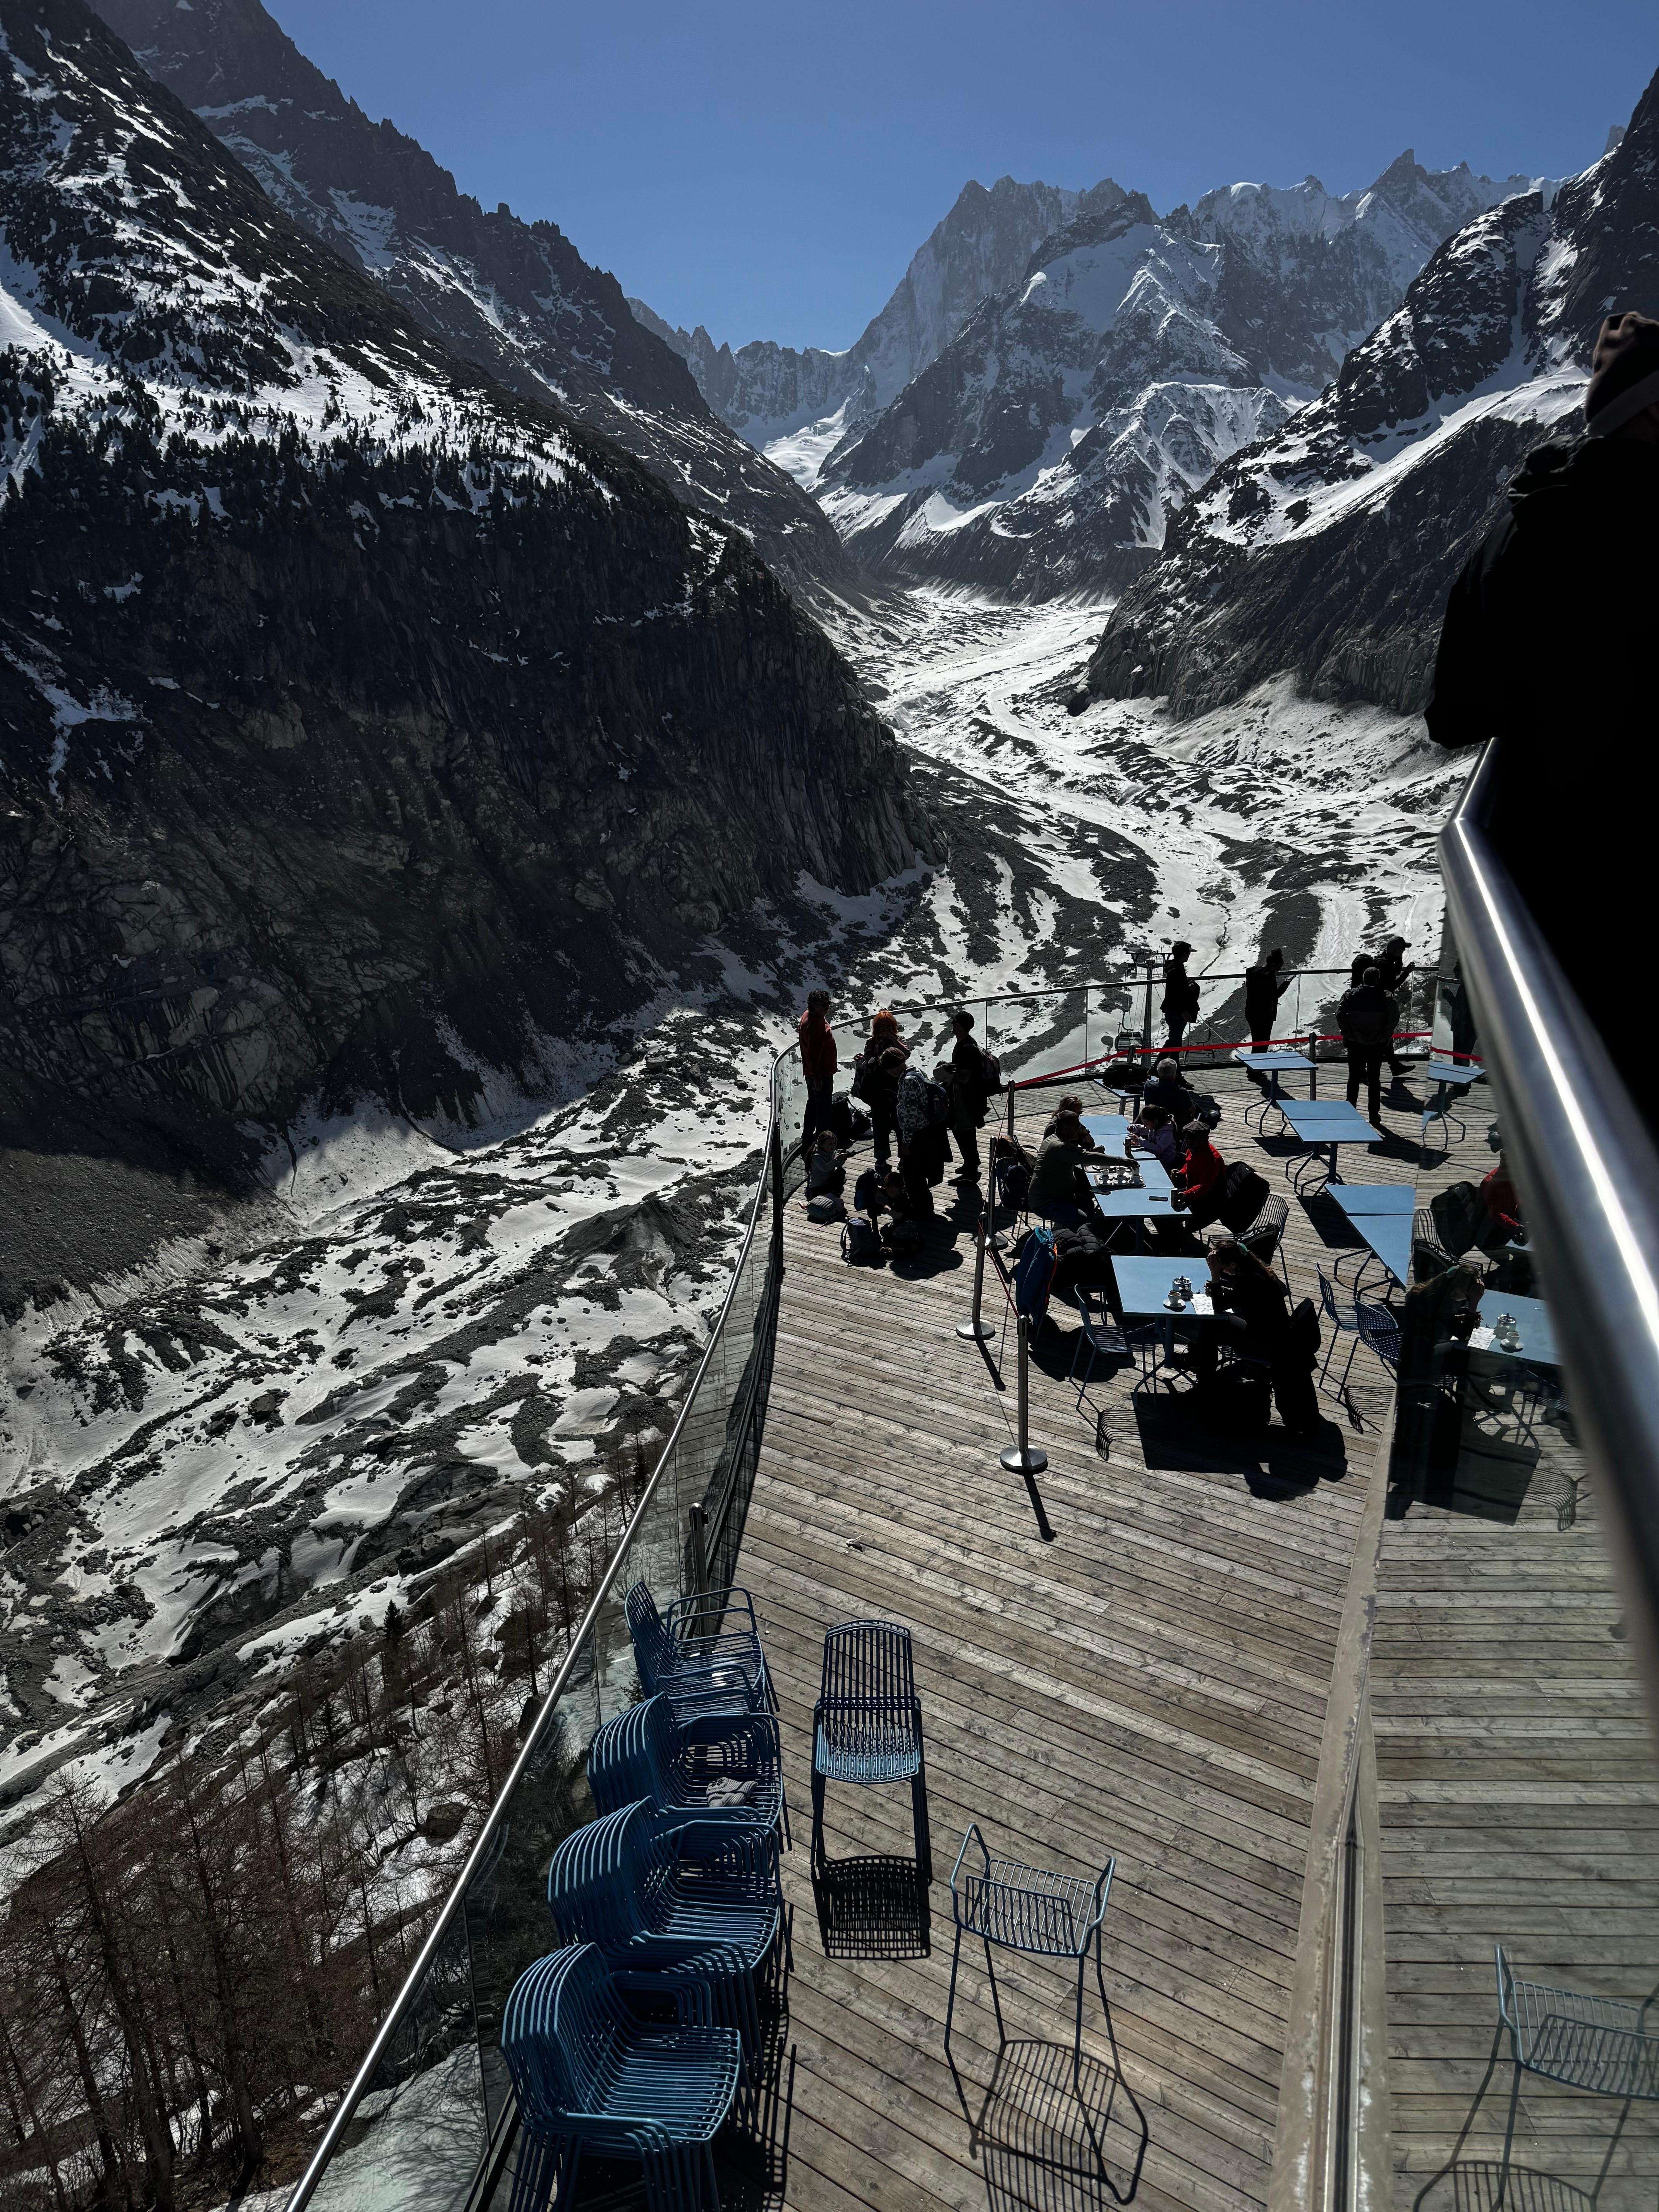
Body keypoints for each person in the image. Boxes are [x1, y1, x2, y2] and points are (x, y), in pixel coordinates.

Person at [1425, 310, 1659, 1070]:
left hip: (1538, 887)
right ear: (1649, 411)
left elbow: (1452, 714)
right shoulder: (1641, 525)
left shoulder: (1516, 523)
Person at [1205, 1234, 1321, 1432]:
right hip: (1278, 1334)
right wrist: (1222, 1288)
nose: (1222, 1272)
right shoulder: (1259, 1271)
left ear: (1232, 1265)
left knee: (1211, 1329)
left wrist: (1215, 1278)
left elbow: (1219, 1306)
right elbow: (1244, 1297)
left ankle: (1204, 1377)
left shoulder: (1248, 1281)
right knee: (1221, 1325)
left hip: (1265, 1341)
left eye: (1222, 1268)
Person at [1337, 966, 1399, 1127]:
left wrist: (1349, 1034)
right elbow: (1394, 1019)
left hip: (1355, 1043)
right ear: (1378, 980)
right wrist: (1384, 1037)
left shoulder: (1351, 994)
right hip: (1378, 1044)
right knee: (1374, 1079)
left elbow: (1340, 1015)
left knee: (1354, 1078)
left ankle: (1351, 1111)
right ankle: (1374, 1115)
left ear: (1363, 979)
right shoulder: (1387, 997)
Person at [945, 1008, 995, 1186]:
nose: (952, 1026)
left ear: (960, 1026)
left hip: (964, 1101)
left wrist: (947, 1076)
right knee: (966, 1133)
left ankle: (971, 1173)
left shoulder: (966, 1049)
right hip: (968, 1099)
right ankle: (970, 1165)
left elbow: (966, 1076)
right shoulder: (968, 1044)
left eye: (954, 1023)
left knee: (964, 1133)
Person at [894, 1052, 945, 1214]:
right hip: (926, 1130)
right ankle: (925, 1207)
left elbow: (911, 1114)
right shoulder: (916, 1072)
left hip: (916, 1134)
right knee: (919, 1172)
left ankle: (921, 1210)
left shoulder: (908, 1081)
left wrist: (906, 1142)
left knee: (912, 1175)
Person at [854, 1009, 906, 1166]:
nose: (886, 1030)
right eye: (883, 1026)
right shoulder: (871, 1042)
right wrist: (884, 1061)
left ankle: (904, 1157)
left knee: (900, 1124)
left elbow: (906, 1054)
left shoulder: (899, 1040)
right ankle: (881, 1158)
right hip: (878, 1091)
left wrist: (893, 1039)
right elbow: (866, 1063)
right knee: (880, 1125)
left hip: (897, 1089)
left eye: (889, 1026)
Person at [1029, 1110, 1094, 1228]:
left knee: (1088, 1204)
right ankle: (1064, 1235)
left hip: (1061, 1195)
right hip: (1046, 1202)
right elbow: (1087, 1157)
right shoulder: (1059, 1146)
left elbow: (1088, 1148)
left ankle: (1084, 1233)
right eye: (1078, 1126)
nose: (1080, 1129)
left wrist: (1085, 1133)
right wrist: (1119, 1161)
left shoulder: (1063, 1139)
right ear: (1066, 1128)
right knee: (1081, 1218)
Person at [798, 988, 836, 1156]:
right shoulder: (816, 1025)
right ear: (813, 1005)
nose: (827, 1007)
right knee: (824, 1110)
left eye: (828, 1004)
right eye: (823, 1005)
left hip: (812, 1073)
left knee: (813, 1104)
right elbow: (814, 1055)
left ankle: (807, 1139)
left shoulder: (809, 1015)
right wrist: (818, 1079)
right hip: (821, 1074)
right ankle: (823, 1147)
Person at [1173, 1121, 1226, 1229]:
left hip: (1207, 1202)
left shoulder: (1212, 1159)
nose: (1189, 1141)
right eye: (1188, 1138)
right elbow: (1189, 1165)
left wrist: (1186, 1195)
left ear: (1204, 1139)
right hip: (1192, 1192)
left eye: (1193, 1138)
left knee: (1168, 1218)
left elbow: (1204, 1186)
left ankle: (1177, 1237)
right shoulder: (1193, 1149)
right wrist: (1181, 1172)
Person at [1375, 937, 1415, 1073]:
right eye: (1402, 949)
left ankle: (1394, 1066)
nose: (1404, 951)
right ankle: (1366, 1071)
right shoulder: (1386, 965)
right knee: (1384, 1035)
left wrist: (1399, 959)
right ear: (1393, 950)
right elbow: (1394, 984)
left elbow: (1395, 972)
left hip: (1379, 1003)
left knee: (1385, 1036)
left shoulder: (1384, 961)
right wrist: (1407, 972)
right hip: (1383, 1005)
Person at [1243, 948, 1290, 1051]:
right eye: (1278, 967)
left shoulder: (1252, 972)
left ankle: (1254, 1061)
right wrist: (1287, 983)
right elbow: (1274, 995)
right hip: (1265, 1014)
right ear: (1273, 964)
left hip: (1252, 1012)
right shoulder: (1269, 976)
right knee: (1263, 1044)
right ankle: (1258, 1061)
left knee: (1257, 1043)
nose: (1278, 970)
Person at [1161, 941, 1200, 1051]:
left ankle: (1161, 1062)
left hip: (1173, 1011)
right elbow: (1176, 993)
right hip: (1177, 1013)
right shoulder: (1177, 969)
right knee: (1175, 1044)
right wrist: (1184, 1012)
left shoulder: (1174, 968)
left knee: (1174, 1041)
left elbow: (1177, 989)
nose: (1189, 955)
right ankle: (1170, 1062)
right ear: (1184, 954)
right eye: (1189, 953)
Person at [1140, 1055, 1199, 1128]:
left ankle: (1209, 1120)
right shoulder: (1182, 1092)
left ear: (1159, 1072)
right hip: (1177, 1125)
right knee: (1193, 1105)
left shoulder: (1148, 1086)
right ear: (1174, 1074)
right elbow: (1193, 1110)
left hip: (1153, 1122)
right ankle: (1209, 1120)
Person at [1480, 1156, 1525, 1243]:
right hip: (1496, 1225)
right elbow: (1495, 1214)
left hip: (1512, 1212)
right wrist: (1515, 1227)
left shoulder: (1513, 1176)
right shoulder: (1492, 1185)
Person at [1127, 1100, 1178, 1171]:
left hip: (1165, 1164)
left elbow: (1158, 1149)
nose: (1145, 1126)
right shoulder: (1154, 1127)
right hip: (1153, 1156)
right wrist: (1133, 1128)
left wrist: (1139, 1141)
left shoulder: (1167, 1134)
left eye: (1146, 1124)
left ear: (1156, 1122)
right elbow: (1142, 1128)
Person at [804, 1130, 846, 1199]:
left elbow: (837, 1165)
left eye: (834, 1143)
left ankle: (835, 1194)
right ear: (822, 1144)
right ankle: (834, 1195)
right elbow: (826, 1168)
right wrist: (836, 1159)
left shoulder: (829, 1153)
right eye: (830, 1144)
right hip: (818, 1188)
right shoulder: (816, 1156)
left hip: (827, 1183)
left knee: (841, 1171)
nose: (833, 1146)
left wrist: (843, 1159)